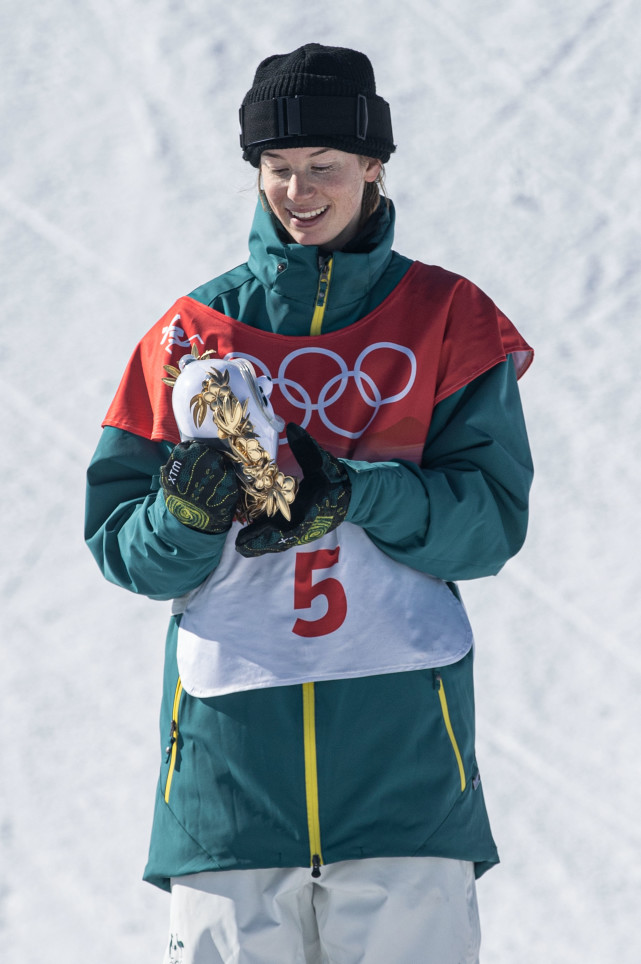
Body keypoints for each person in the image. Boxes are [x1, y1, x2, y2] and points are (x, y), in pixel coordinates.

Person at [85, 43, 533, 964]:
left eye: (323, 169)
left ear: (373, 167)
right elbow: (122, 547)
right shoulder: (188, 334)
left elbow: (488, 524)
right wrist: (188, 515)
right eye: (276, 170)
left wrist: (356, 494)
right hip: (227, 773)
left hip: (404, 757)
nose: (297, 191)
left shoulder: (447, 318)